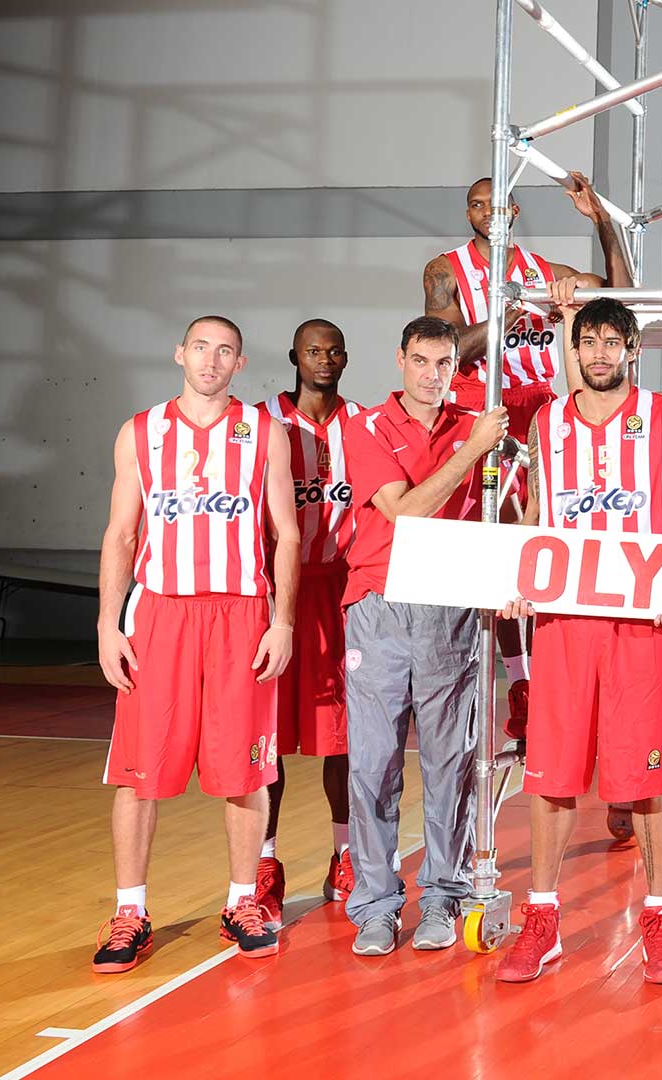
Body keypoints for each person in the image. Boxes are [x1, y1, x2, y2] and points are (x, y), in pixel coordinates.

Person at [492, 297, 662, 985]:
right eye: (586, 341)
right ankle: (542, 919)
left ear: (631, 348)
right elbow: (537, 516)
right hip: (564, 623)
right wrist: (518, 580)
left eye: (609, 342)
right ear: (575, 349)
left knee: (648, 778)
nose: (597, 353)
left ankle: (658, 918)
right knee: (551, 775)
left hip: (643, 624)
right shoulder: (547, 422)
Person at [92, 315, 299, 972]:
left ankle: (242, 902)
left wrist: (283, 620)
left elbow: (287, 534)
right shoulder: (141, 432)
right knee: (139, 773)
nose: (211, 360)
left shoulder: (265, 432)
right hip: (160, 615)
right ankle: (130, 911)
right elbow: (121, 533)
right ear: (180, 353)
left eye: (226, 351)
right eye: (201, 347)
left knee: (245, 770)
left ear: (241, 364)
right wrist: (107, 623)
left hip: (242, 615)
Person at [422, 171, 624, 739]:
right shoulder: (445, 271)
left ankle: (543, 676)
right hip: (478, 405)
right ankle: (509, 676)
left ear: (513, 211)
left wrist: (602, 222)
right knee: (487, 544)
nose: (488, 213)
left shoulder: (545, 273)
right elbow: (445, 350)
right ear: (469, 214)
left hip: (539, 405)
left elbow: (620, 295)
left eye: (498, 205)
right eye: (477, 205)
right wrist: (504, 316)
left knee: (538, 538)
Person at [339, 316, 508, 957]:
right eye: (421, 361)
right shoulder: (369, 426)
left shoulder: (475, 425)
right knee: (373, 764)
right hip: (379, 605)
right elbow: (405, 512)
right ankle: (376, 905)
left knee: (450, 763)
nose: (432, 375)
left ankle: (443, 895)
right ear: (400, 360)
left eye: (444, 363)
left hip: (450, 607)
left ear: (456, 368)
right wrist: (473, 450)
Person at [253, 319, 363, 930]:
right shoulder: (261, 423)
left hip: (342, 591)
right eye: (312, 351)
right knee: (265, 735)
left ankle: (344, 853)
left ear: (346, 358)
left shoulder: (364, 423)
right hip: (276, 595)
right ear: (293, 356)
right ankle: (264, 861)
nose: (324, 359)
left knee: (342, 734)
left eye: (333, 350)